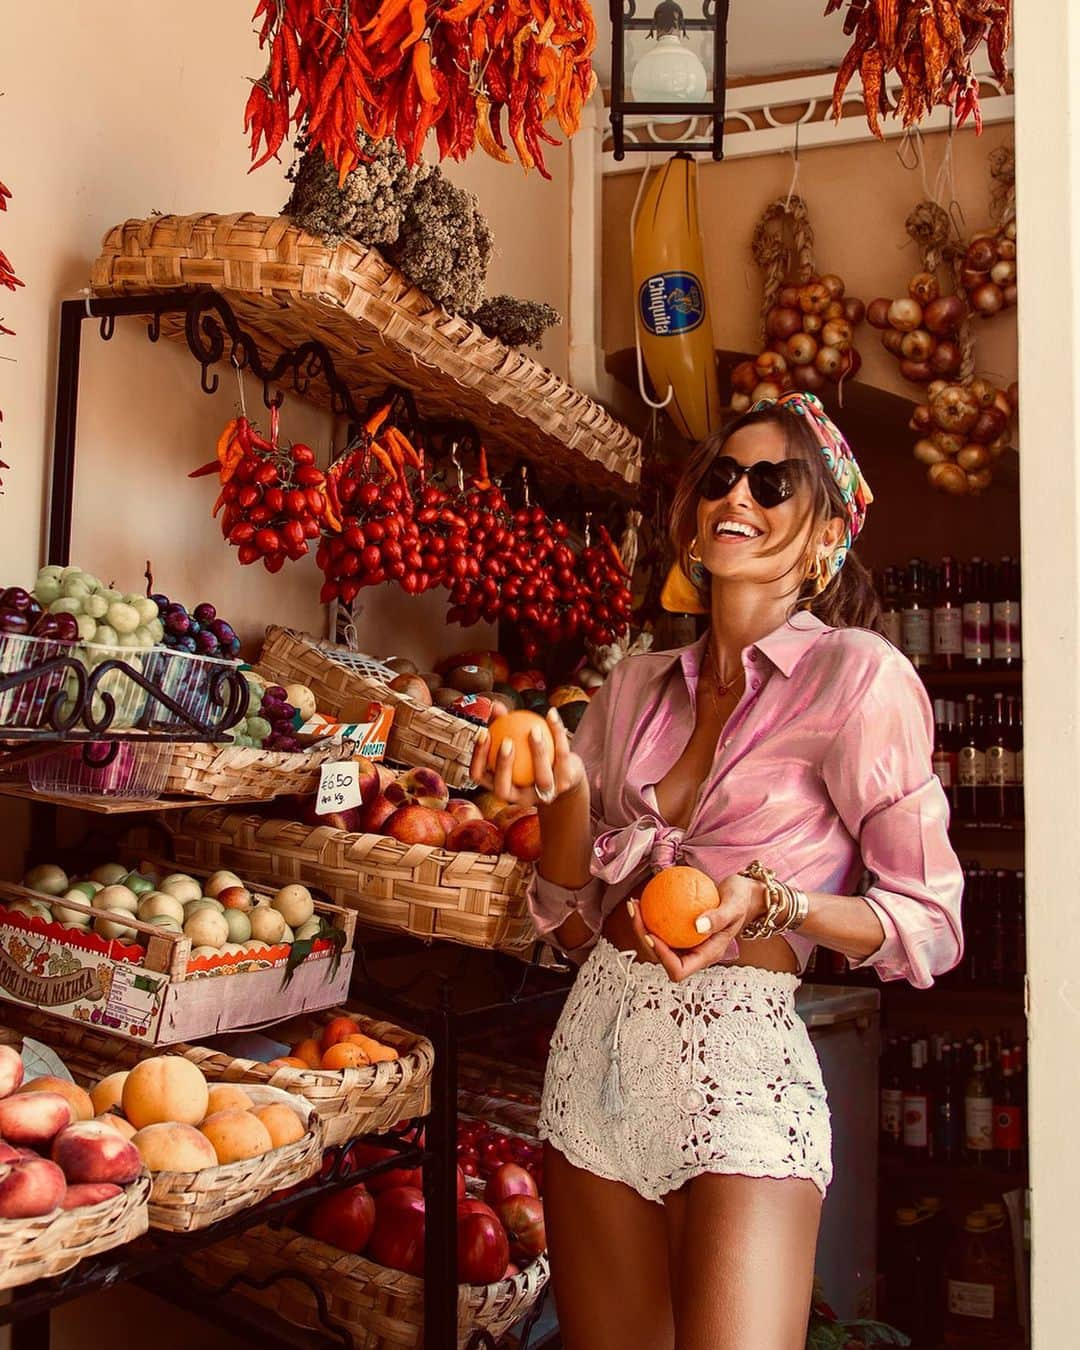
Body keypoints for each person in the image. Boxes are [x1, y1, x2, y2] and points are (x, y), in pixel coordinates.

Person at [470, 391, 964, 1350]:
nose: (737, 493)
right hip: (600, 1049)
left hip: (742, 1063)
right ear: (694, 522)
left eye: (773, 481)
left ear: (824, 532)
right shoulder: (632, 686)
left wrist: (775, 902)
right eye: (722, 477)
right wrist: (564, 787)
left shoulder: (858, 678)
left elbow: (930, 923)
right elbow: (569, 925)